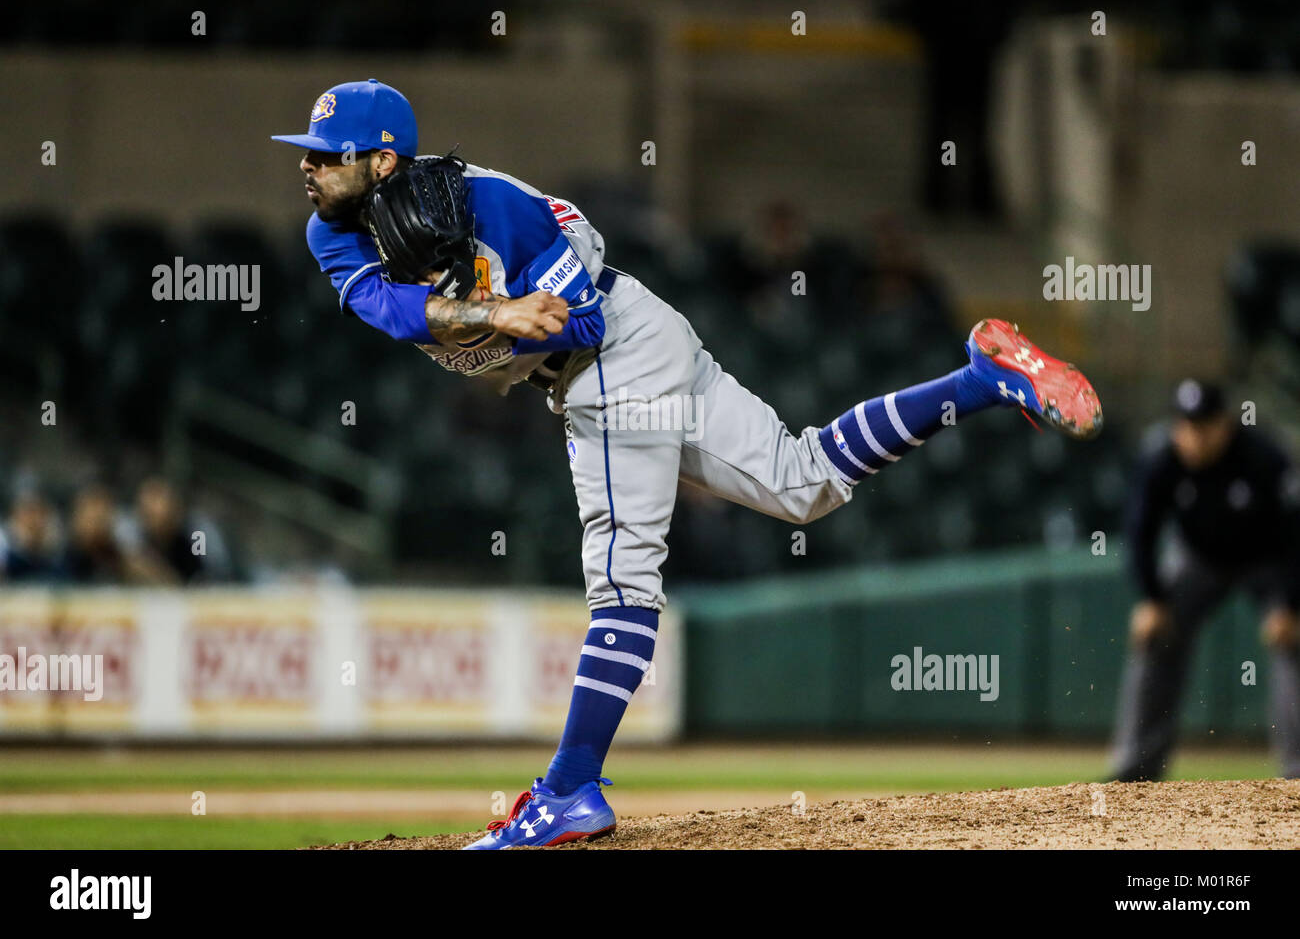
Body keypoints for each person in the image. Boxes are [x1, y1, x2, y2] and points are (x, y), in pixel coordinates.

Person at [271, 79, 1103, 848]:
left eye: (323, 153)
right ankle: (982, 378)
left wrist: (528, 316)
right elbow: (389, 309)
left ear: (381, 160)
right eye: (305, 152)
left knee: (625, 581)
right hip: (628, 351)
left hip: (612, 358)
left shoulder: (492, 203)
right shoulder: (328, 230)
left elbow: (583, 322)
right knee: (804, 482)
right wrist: (495, 308)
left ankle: (570, 789)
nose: (306, 167)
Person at [1111, 379, 1300, 781]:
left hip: (1266, 559)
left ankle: (1297, 772)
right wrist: (1151, 597)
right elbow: (1140, 530)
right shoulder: (1162, 458)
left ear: (1225, 425)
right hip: (1198, 559)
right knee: (1155, 636)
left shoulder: (1262, 457)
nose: (1195, 436)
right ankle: (1136, 771)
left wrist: (1289, 603)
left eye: (1204, 425)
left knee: (1294, 640)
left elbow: (1295, 535)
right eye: (1187, 425)